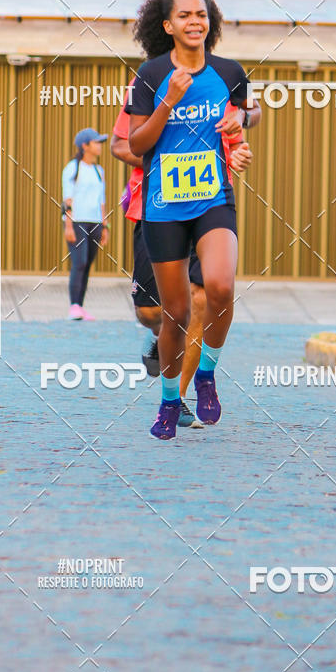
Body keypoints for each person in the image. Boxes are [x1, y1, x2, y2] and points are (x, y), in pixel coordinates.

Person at [127, 0, 261, 439]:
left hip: (212, 199)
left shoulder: (228, 71)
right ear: (168, 25)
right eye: (184, 16)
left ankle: (206, 373)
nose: (194, 22)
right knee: (176, 314)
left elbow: (248, 112)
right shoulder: (150, 74)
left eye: (201, 15)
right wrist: (168, 101)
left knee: (221, 288)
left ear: (210, 21)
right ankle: (168, 401)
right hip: (163, 206)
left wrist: (241, 124)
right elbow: (135, 143)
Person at [111, 89, 253, 427]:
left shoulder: (221, 86)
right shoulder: (147, 83)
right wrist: (166, 158)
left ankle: (178, 398)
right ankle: (156, 336)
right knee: (151, 313)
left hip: (207, 209)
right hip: (154, 208)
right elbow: (120, 145)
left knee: (200, 299)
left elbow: (236, 142)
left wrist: (238, 155)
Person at [62, 128, 109, 320]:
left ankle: (80, 307)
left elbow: (102, 200)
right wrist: (68, 224)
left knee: (87, 264)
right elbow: (68, 198)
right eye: (96, 142)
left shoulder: (99, 171)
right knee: (79, 263)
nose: (99, 146)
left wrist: (104, 226)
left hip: (95, 222)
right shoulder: (73, 168)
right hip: (77, 222)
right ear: (85, 146)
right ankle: (73, 306)